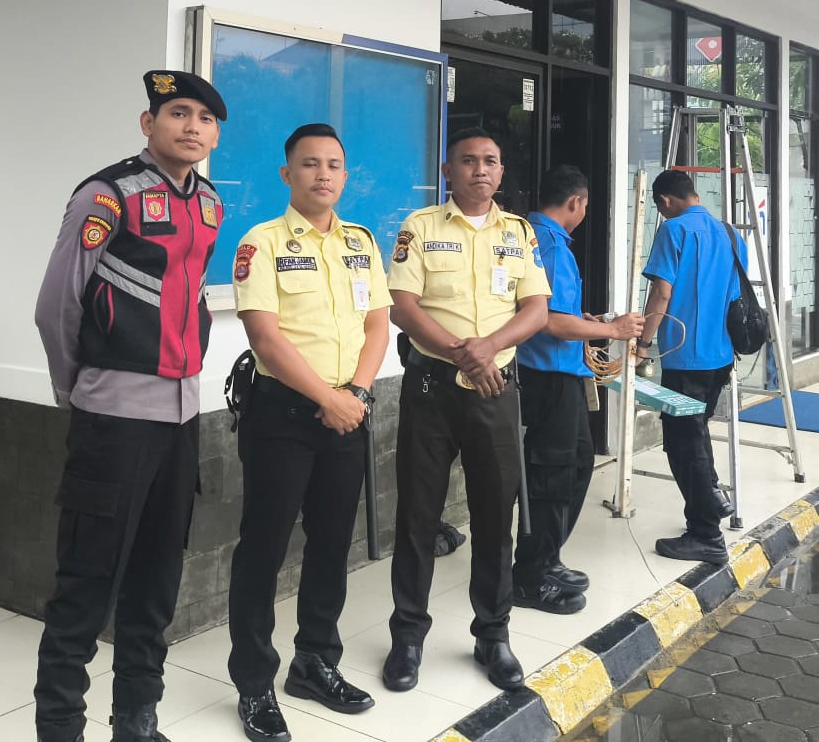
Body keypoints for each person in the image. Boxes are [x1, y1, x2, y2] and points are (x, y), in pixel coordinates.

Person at [32, 70, 227, 742]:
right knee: (85, 586)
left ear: (215, 135)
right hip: (112, 416)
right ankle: (60, 726)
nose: (192, 127)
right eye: (178, 113)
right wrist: (77, 389)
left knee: (155, 583)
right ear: (149, 124)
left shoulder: (208, 203)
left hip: (181, 420)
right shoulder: (107, 195)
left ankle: (136, 720)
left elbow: (191, 296)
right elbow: (56, 305)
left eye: (204, 118)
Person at [227, 124, 390, 742]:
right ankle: (254, 683)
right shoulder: (262, 242)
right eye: (310, 164)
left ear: (345, 175)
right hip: (284, 419)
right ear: (287, 174)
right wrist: (329, 399)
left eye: (333, 165)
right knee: (263, 550)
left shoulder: (361, 242)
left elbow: (378, 324)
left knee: (331, 544)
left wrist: (357, 396)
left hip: (348, 412)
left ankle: (314, 663)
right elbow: (264, 337)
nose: (323, 174)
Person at [382, 127, 551, 695]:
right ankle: (408, 636)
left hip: (495, 389)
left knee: (494, 517)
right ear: (448, 171)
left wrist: (489, 349)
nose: (481, 170)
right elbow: (402, 307)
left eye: (491, 161)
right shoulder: (421, 227)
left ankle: (493, 635)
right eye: (469, 161)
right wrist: (464, 353)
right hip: (432, 387)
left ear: (501, 172)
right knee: (418, 516)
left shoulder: (518, 232)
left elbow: (536, 309)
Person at [513, 166, 643, 614]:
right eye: (585, 205)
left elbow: (559, 314)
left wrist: (590, 323)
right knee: (552, 475)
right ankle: (531, 576)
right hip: (548, 375)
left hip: (559, 372)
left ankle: (547, 557)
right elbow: (550, 321)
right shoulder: (548, 245)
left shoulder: (535, 236)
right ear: (576, 203)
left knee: (578, 462)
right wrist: (616, 329)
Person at [640, 168, 745, 565]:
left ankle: (706, 534)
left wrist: (643, 344)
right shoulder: (730, 233)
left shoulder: (674, 230)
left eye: (660, 207)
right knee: (696, 433)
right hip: (720, 355)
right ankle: (709, 501)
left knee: (684, 442)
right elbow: (734, 294)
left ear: (665, 201)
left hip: (685, 357)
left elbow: (661, 294)